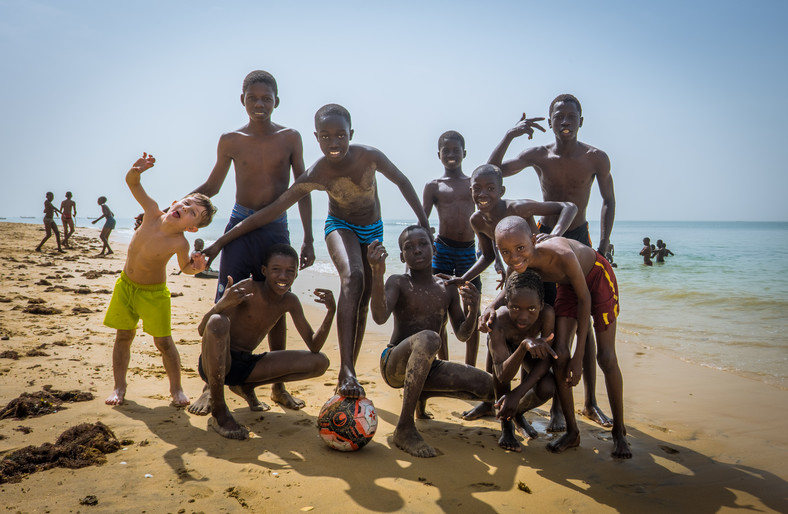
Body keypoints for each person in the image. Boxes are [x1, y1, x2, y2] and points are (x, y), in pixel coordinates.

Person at [202, 104, 430, 399]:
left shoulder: (369, 157)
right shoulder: (317, 173)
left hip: (372, 228)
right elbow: (272, 210)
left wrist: (424, 224)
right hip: (339, 225)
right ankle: (345, 369)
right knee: (352, 276)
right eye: (325, 136)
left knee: (360, 301)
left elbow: (401, 181)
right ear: (316, 137)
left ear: (351, 134)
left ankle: (351, 369)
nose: (333, 143)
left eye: (340, 135)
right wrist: (220, 242)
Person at [488, 95, 616, 429]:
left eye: (572, 116)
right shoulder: (538, 154)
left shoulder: (595, 158)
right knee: (551, 318)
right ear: (550, 119)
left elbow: (608, 201)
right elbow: (493, 173)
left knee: (579, 321)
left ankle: (589, 402)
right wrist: (511, 134)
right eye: (559, 115)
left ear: (580, 121)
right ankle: (557, 404)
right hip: (543, 241)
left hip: (580, 239)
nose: (566, 120)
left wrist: (602, 244)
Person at [190, 70, 315, 410]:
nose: (260, 104)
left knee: (277, 302)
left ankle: (277, 386)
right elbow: (212, 187)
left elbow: (302, 189)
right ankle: (209, 384)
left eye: (267, 98)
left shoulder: (290, 137)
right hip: (239, 222)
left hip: (276, 227)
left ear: (277, 101)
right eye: (253, 98)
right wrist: (175, 206)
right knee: (228, 300)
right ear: (242, 99)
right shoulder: (230, 139)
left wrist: (308, 238)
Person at [494, 216, 630, 459]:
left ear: (534, 241)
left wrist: (579, 358)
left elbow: (585, 299)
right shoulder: (517, 261)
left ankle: (619, 432)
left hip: (597, 279)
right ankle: (573, 432)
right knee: (559, 356)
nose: (514, 257)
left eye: (520, 249)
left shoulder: (561, 254)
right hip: (566, 285)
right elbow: (509, 288)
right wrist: (488, 309)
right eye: (506, 252)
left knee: (606, 357)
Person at [448, 163, 576, 421]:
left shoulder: (517, 207)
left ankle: (557, 408)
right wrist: (463, 277)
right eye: (477, 189)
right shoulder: (477, 220)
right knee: (493, 326)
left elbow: (568, 207)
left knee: (550, 340)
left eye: (490, 188)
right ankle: (490, 401)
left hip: (544, 281)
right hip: (515, 281)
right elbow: (486, 256)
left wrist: (553, 235)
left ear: (501, 190)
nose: (483, 194)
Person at [368, 226, 493, 457]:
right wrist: (377, 272)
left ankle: (422, 393)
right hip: (394, 364)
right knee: (430, 337)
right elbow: (378, 316)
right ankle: (404, 428)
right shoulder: (398, 282)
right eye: (409, 247)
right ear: (401, 256)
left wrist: (474, 308)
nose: (417, 250)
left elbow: (463, 335)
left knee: (491, 387)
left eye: (423, 244)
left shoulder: (447, 289)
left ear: (434, 249)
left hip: (427, 368)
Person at [103, 153, 216, 407]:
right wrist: (137, 170)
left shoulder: (180, 242)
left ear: (192, 228)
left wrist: (197, 268)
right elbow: (133, 183)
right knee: (123, 336)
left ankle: (176, 390)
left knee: (164, 342)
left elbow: (185, 268)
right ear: (175, 202)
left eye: (192, 213)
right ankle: (119, 387)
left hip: (154, 295)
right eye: (185, 204)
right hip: (125, 287)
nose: (185, 210)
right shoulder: (151, 213)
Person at [189, 244, 334, 440]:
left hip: (245, 366)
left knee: (320, 362)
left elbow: (314, 346)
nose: (283, 276)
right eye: (276, 270)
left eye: (290, 271)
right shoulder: (247, 288)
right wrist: (223, 303)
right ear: (264, 271)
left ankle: (245, 386)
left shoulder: (289, 301)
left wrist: (331, 311)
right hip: (216, 362)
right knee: (218, 321)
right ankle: (219, 409)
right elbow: (203, 329)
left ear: (296, 274)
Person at [422, 131, 482, 366]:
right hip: (442, 250)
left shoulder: (473, 184)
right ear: (439, 155)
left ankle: (470, 366)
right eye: (446, 150)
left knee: (472, 307)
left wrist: (493, 253)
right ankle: (443, 363)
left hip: (469, 252)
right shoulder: (434, 186)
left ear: (464, 153)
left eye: (456, 150)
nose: (451, 154)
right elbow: (423, 221)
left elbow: (487, 217)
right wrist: (419, 251)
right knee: (439, 310)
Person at [489, 270, 557, 452]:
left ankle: (516, 412)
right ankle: (506, 427)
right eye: (515, 308)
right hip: (507, 353)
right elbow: (504, 374)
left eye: (532, 309)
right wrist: (523, 345)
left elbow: (545, 360)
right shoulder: (500, 320)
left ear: (541, 305)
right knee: (501, 377)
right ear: (506, 303)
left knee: (548, 386)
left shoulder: (547, 315)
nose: (523, 316)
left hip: (528, 349)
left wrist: (517, 394)